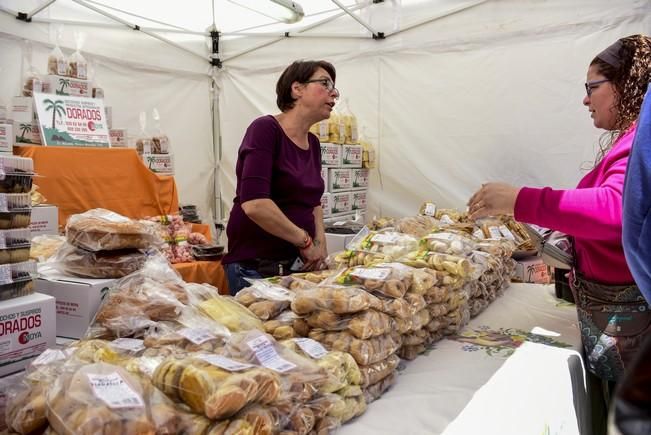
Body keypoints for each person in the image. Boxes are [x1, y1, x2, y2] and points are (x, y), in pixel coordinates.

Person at [467, 35, 651, 432]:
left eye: (592, 87)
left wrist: (521, 199)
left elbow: (615, 211)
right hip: (612, 311)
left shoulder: (638, 140)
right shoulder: (630, 140)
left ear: (624, 83)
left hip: (627, 319)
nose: (586, 100)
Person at [222, 60, 338, 295]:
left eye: (335, 87)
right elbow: (255, 204)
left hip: (295, 268)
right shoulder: (265, 130)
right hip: (256, 268)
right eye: (325, 83)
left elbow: (313, 201)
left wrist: (320, 243)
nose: (334, 93)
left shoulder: (313, 143)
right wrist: (305, 242)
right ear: (297, 89)